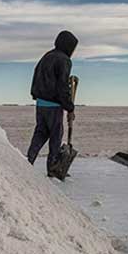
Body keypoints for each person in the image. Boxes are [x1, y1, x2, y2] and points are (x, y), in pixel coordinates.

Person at [27, 30, 77, 175]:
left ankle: (28, 160)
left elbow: (36, 74)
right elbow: (62, 86)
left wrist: (35, 95)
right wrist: (70, 107)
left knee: (41, 133)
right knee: (56, 136)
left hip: (41, 104)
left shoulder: (46, 56)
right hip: (54, 105)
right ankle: (53, 168)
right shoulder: (64, 60)